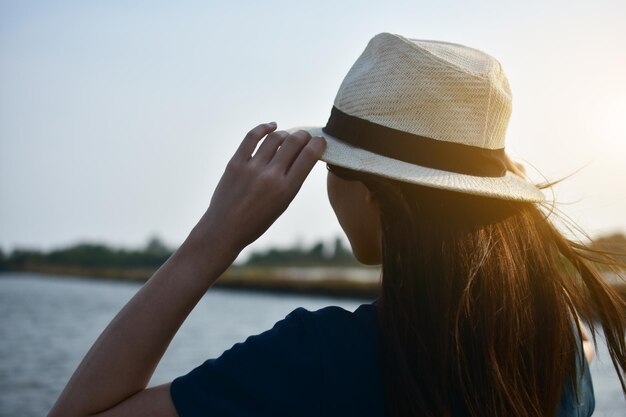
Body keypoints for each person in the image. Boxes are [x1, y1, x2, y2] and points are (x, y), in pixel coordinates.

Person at [48, 32, 625, 417]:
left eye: (334, 166)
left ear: (373, 194)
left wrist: (214, 238)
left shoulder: (314, 360)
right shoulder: (560, 349)